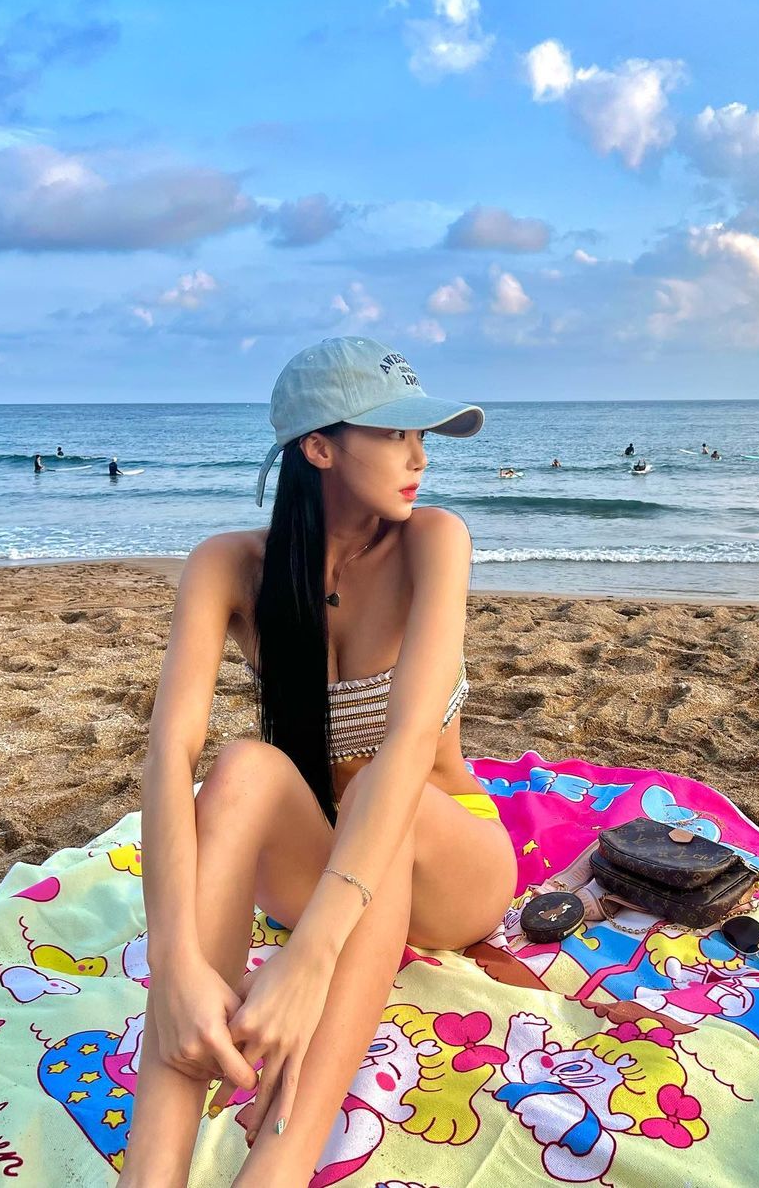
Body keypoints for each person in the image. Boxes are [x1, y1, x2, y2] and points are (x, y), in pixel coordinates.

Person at [116, 337, 515, 1183]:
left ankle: (279, 1163)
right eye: (394, 434)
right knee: (242, 767)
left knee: (375, 787)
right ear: (320, 448)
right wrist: (174, 961)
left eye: (422, 436)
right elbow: (168, 750)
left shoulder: (433, 540)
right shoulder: (229, 565)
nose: (418, 458)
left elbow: (408, 747)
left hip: (449, 862)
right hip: (326, 858)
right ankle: (151, 1168)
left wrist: (308, 958)